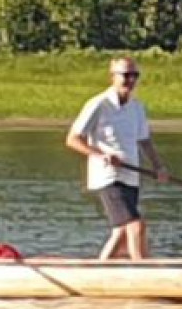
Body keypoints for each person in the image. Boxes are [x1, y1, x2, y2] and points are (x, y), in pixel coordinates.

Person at [66, 57, 167, 260]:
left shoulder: (137, 107)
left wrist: (159, 166)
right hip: (108, 176)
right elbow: (72, 139)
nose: (130, 80)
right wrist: (102, 155)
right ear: (113, 77)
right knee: (135, 226)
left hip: (131, 176)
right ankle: (144, 271)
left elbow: (144, 140)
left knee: (121, 232)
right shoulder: (98, 104)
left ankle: (99, 271)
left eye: (134, 76)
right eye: (126, 75)